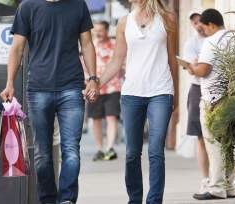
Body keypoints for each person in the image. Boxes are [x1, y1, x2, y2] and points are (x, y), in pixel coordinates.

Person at [0, 0, 99, 203]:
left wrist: (93, 78)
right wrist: (9, 83)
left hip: (71, 87)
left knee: (71, 151)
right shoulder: (27, 7)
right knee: (42, 155)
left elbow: (87, 44)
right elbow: (17, 48)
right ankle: (47, 200)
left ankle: (67, 199)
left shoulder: (78, 5)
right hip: (38, 89)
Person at [98, 0, 179, 203]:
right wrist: (96, 84)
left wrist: (174, 93)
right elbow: (117, 60)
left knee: (155, 150)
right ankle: (134, 199)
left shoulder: (168, 18)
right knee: (132, 153)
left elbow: (171, 58)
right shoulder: (125, 22)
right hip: (132, 93)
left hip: (161, 91)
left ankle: (154, 201)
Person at [185, 8, 235, 200]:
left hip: (214, 98)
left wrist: (191, 68)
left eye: (203, 27)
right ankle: (229, 185)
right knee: (230, 143)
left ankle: (215, 187)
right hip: (233, 96)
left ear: (211, 25)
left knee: (214, 143)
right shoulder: (234, 38)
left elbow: (204, 70)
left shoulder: (211, 41)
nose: (202, 31)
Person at [86, 21, 123, 161]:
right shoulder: (91, 45)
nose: (98, 33)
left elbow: (122, 63)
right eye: (96, 31)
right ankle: (100, 149)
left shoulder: (115, 45)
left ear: (107, 30)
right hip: (93, 87)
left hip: (113, 86)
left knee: (111, 116)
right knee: (96, 118)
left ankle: (110, 148)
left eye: (101, 30)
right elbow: (84, 64)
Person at [182, 10, 210, 195]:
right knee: (200, 136)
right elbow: (192, 69)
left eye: (200, 21)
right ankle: (206, 179)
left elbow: (200, 67)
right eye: (194, 23)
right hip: (197, 89)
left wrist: (198, 67)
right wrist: (195, 68)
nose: (198, 25)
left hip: (217, 88)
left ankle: (232, 178)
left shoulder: (214, 38)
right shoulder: (191, 43)